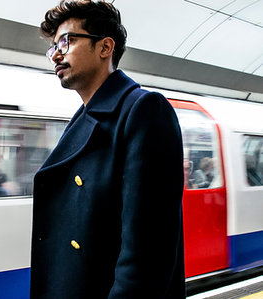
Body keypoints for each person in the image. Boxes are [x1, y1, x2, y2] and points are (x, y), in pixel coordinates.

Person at [31, 1, 185, 298]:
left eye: (67, 40)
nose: (57, 54)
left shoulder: (143, 110)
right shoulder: (83, 118)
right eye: (53, 47)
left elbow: (148, 250)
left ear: (105, 48)